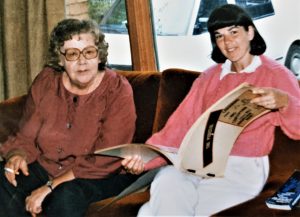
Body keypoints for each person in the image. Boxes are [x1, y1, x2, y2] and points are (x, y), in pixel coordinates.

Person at [122, 4, 300, 216]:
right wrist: (144, 159)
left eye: (234, 32)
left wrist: (284, 102)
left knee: (149, 213)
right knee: (167, 178)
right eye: (219, 36)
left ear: (250, 32)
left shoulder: (275, 74)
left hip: (241, 168)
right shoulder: (209, 77)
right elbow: (178, 128)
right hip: (198, 163)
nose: (227, 42)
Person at [0, 18, 139, 217]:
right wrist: (17, 155)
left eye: (89, 52)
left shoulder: (117, 90)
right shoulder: (47, 82)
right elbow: (27, 134)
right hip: (48, 166)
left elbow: (108, 157)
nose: (82, 61)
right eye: (72, 54)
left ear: (99, 55)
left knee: (65, 196)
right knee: (4, 179)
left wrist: (50, 186)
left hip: (100, 175)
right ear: (60, 59)